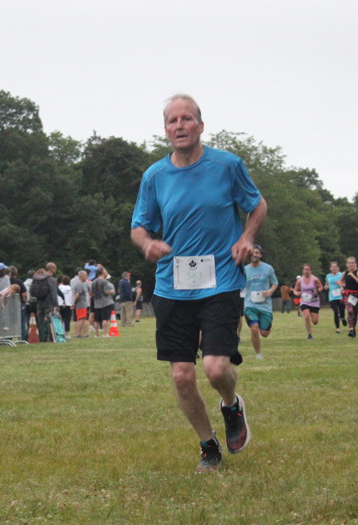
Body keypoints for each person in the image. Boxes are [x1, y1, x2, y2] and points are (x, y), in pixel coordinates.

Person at [131, 93, 266, 473]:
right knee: (181, 375)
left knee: (216, 368)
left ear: (201, 125)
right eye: (172, 121)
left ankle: (231, 406)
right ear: (165, 130)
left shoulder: (227, 165)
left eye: (186, 118)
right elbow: (138, 226)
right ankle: (209, 446)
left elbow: (257, 205)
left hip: (220, 280)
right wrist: (147, 243)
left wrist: (247, 237)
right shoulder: (155, 176)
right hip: (172, 286)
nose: (179, 125)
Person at [241, 245, 278, 357]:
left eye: (257, 253)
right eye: (253, 253)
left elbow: (275, 283)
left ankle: (266, 326)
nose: (255, 255)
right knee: (254, 328)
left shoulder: (268, 268)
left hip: (265, 305)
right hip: (250, 304)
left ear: (260, 255)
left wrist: (270, 291)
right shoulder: (245, 270)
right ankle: (258, 354)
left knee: (264, 333)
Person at [293, 264, 323, 340]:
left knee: (315, 321)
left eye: (308, 270)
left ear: (310, 271)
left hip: (314, 301)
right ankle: (309, 334)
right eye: (305, 270)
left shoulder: (315, 279)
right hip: (305, 301)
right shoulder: (300, 280)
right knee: (306, 316)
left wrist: (317, 291)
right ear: (303, 271)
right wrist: (297, 293)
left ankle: (314, 318)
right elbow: (295, 290)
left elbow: (321, 287)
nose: (306, 271)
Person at [342, 256, 358, 338]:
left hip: (357, 295)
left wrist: (353, 276)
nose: (351, 264)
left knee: (355, 314)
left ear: (355, 264)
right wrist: (342, 286)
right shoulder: (345, 273)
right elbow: (341, 281)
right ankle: (351, 329)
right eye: (349, 263)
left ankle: (353, 329)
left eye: (353, 263)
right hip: (348, 295)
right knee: (350, 311)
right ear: (347, 264)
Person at [91, 266, 116, 337]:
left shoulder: (94, 281)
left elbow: (92, 293)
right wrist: (111, 291)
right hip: (105, 303)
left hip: (96, 303)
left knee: (96, 320)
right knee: (105, 319)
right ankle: (105, 333)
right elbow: (105, 292)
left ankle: (97, 334)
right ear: (102, 273)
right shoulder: (104, 281)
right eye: (105, 271)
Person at [325, 261, 345, 334]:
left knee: (342, 311)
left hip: (340, 296)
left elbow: (345, 284)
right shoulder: (328, 276)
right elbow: (327, 284)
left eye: (335, 267)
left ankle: (342, 318)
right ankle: (337, 328)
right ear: (330, 268)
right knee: (336, 312)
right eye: (332, 267)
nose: (334, 268)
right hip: (332, 297)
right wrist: (326, 287)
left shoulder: (341, 275)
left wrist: (341, 285)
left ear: (337, 268)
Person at [71, 269, 91, 338]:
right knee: (81, 319)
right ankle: (78, 334)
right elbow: (77, 295)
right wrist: (74, 303)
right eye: (85, 275)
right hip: (81, 304)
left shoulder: (85, 283)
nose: (86, 276)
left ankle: (79, 333)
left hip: (83, 303)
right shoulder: (79, 284)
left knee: (83, 318)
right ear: (81, 276)